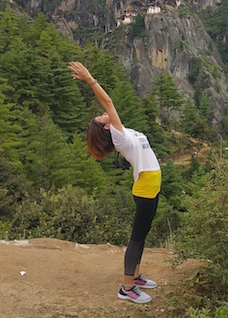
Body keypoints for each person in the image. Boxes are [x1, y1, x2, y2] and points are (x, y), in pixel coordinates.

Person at [68, 61, 161, 304]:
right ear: (106, 127)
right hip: (145, 189)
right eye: (101, 117)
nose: (103, 113)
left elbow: (109, 106)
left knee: (143, 233)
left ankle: (137, 276)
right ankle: (127, 287)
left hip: (152, 186)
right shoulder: (118, 136)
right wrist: (90, 80)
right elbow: (107, 102)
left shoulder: (123, 131)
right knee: (136, 237)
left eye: (99, 115)